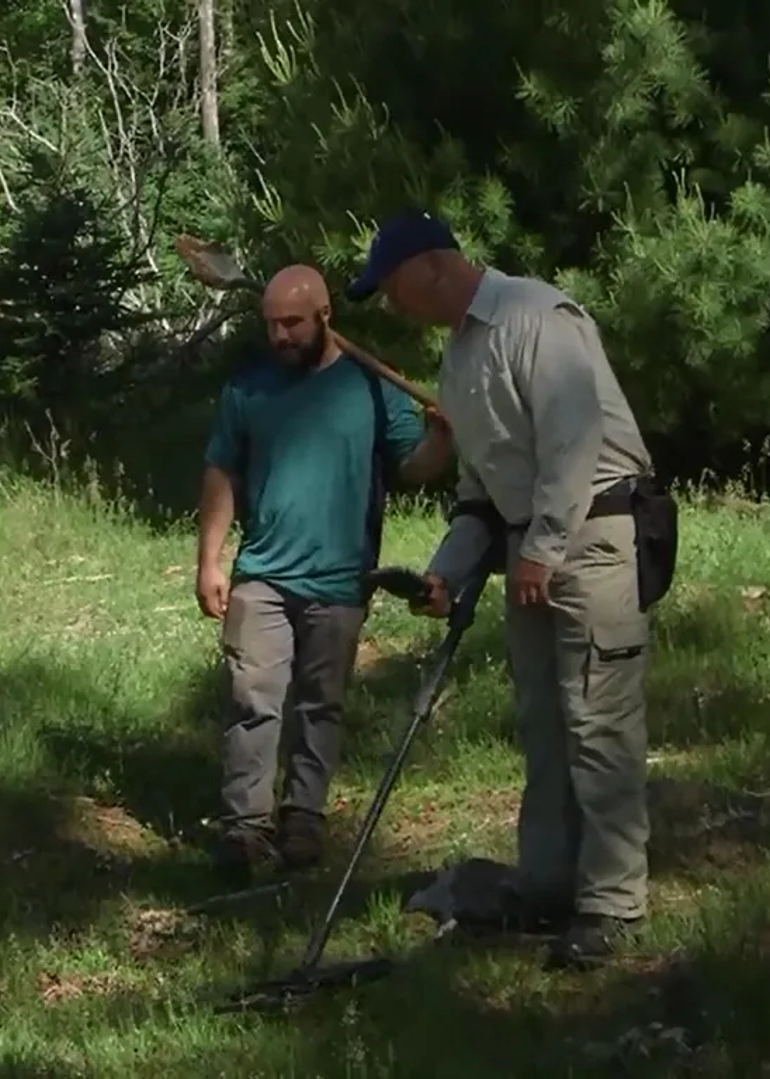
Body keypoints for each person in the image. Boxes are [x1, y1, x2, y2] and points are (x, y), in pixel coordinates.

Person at [343, 210, 656, 969]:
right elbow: (480, 492)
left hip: (595, 535)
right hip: (529, 550)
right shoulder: (459, 359)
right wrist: (446, 574)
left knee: (599, 719)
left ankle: (613, 902)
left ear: (430, 267)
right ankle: (549, 881)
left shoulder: (536, 317)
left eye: (391, 289)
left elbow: (575, 444)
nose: (391, 308)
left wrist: (543, 549)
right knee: (543, 720)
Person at [196, 264, 452, 886]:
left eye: (292, 323)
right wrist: (210, 557)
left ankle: (303, 818)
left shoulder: (370, 388)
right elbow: (221, 472)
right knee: (251, 699)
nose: (279, 336)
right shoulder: (249, 389)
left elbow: (413, 467)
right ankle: (245, 827)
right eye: (271, 325)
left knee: (320, 706)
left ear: (324, 316)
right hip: (263, 573)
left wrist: (444, 437)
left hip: (342, 579)